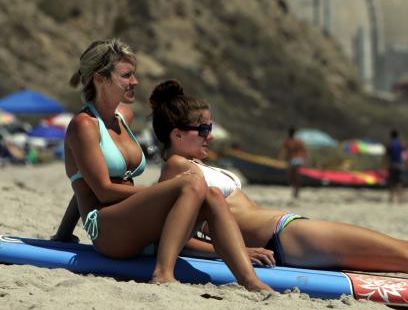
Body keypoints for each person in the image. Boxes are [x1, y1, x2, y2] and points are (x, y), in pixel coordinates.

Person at [152, 79, 408, 293]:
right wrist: (238, 251)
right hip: (284, 236)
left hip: (289, 233)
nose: (209, 134)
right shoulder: (176, 171)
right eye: (201, 128)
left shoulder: (191, 166)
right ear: (175, 134)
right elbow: (177, 238)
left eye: (209, 126)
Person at [51, 39, 270, 292]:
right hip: (108, 231)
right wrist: (169, 191)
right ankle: (163, 273)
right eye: (127, 75)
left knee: (210, 194)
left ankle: (252, 281)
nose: (135, 82)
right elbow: (100, 190)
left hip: (135, 224)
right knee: (191, 184)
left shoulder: (121, 119)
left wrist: (63, 235)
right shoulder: (84, 125)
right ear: (100, 79)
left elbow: (80, 184)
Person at [279, 126, 306, 199]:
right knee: (294, 176)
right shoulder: (297, 141)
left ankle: (296, 190)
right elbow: (303, 151)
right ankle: (296, 190)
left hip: (295, 160)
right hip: (297, 160)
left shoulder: (290, 141)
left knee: (292, 176)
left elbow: (283, 152)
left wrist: (280, 159)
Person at [385, 129, 405, 204]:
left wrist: (384, 164)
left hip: (392, 165)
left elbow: (386, 155)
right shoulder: (400, 144)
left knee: (392, 181)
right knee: (399, 182)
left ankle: (391, 198)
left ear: (391, 136)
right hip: (399, 165)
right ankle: (400, 199)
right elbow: (407, 151)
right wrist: (406, 163)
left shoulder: (390, 144)